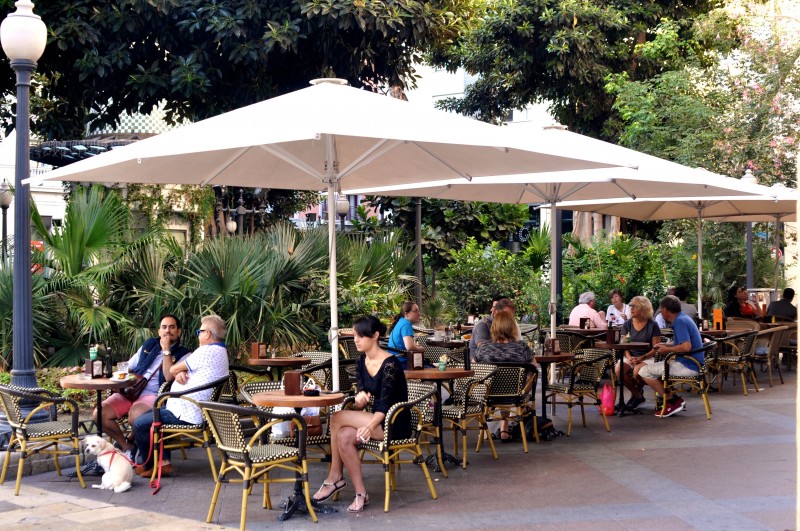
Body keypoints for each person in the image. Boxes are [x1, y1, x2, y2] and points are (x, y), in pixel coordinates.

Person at [312, 315, 409, 513]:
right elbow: (363, 391)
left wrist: (369, 426)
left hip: (394, 422)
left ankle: (335, 476)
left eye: (360, 336)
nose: (355, 339)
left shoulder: (391, 365)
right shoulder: (361, 361)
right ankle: (360, 493)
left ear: (375, 335)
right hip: (377, 419)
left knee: (337, 417)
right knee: (343, 435)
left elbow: (384, 404)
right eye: (354, 335)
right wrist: (359, 397)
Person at [132, 314, 229, 476]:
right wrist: (180, 372)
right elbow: (179, 370)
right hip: (190, 407)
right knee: (148, 415)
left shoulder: (205, 351)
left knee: (140, 423)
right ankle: (162, 462)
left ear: (208, 334)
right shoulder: (219, 350)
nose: (198, 334)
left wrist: (176, 369)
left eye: (200, 331)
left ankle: (150, 465)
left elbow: (171, 370)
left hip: (187, 412)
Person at [95, 315, 191, 462]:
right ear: (159, 331)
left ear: (179, 331)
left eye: (172, 327)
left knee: (136, 416)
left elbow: (168, 377)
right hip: (132, 391)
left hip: (155, 394)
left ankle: (138, 448)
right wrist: (118, 381)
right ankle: (127, 446)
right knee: (99, 414)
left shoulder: (185, 354)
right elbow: (129, 366)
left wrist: (166, 350)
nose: (167, 331)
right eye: (164, 327)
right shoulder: (148, 345)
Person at [638, 296, 704, 417]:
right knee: (655, 371)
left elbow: (686, 347)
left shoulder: (679, 321)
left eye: (661, 309)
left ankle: (671, 401)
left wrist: (667, 349)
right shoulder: (683, 318)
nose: (660, 312)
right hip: (692, 363)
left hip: (689, 366)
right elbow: (680, 342)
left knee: (644, 371)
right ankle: (672, 399)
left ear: (665, 309)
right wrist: (665, 344)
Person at [474, 310, 532, 441]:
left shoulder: (483, 349)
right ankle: (521, 409)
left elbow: (475, 369)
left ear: (493, 328)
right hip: (515, 395)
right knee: (528, 378)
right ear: (513, 328)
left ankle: (494, 428)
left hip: (489, 394)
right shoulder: (522, 348)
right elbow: (534, 368)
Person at [615, 297, 661, 411]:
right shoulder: (627, 324)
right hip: (631, 355)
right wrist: (629, 357)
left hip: (647, 356)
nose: (631, 309)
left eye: (635, 306)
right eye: (631, 306)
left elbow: (656, 348)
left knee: (637, 371)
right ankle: (638, 395)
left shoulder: (652, 325)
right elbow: (624, 345)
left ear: (644, 309)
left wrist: (643, 357)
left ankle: (637, 395)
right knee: (618, 369)